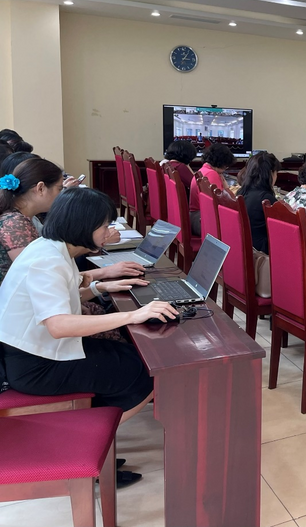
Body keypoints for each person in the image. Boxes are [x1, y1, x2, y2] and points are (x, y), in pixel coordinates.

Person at [0, 188, 179, 486]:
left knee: (130, 359)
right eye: (105, 225)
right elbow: (58, 324)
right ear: (84, 225)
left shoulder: (50, 248)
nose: (108, 232)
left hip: (38, 352)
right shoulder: (48, 260)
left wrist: (101, 287)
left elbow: (60, 299)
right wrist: (133, 315)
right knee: (146, 371)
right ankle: (85, 446)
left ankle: (91, 441)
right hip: (35, 365)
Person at [0, 158, 144, 285]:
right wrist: (104, 270)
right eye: (59, 189)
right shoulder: (14, 224)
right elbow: (40, 277)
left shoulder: (26, 217)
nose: (62, 195)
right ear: (41, 188)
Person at [237, 152, 281, 254]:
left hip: (245, 246)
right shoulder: (266, 200)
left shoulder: (242, 193)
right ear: (271, 173)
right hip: (262, 252)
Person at [189, 143, 235, 236]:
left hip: (195, 218)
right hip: (202, 221)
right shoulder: (212, 174)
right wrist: (227, 187)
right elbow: (224, 202)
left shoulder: (202, 171)